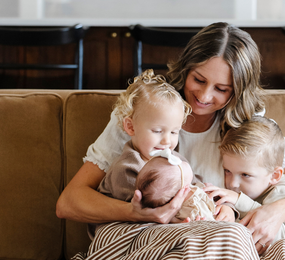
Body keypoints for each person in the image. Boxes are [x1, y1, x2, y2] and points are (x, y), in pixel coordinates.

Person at [56, 22, 285, 255]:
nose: (204, 96)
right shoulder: (147, 116)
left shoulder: (247, 125)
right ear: (186, 69)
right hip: (162, 248)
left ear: (237, 92)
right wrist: (135, 213)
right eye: (198, 80)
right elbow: (69, 202)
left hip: (217, 247)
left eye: (221, 89)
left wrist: (277, 212)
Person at [96, 70, 235, 223]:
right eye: (157, 131)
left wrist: (225, 206)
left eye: (175, 132)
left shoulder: (174, 159)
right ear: (131, 127)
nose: (167, 141)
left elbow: (196, 185)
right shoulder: (125, 169)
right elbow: (144, 212)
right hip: (129, 230)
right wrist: (179, 221)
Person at [204, 116, 285, 240]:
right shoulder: (251, 191)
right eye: (227, 171)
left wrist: (238, 201)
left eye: (245, 175)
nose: (233, 183)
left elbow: (276, 235)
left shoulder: (283, 189)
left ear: (274, 175)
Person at [135, 152, 234, 222]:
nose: (179, 159)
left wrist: (224, 205)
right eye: (178, 164)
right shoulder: (192, 209)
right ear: (183, 189)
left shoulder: (192, 187)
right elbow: (211, 224)